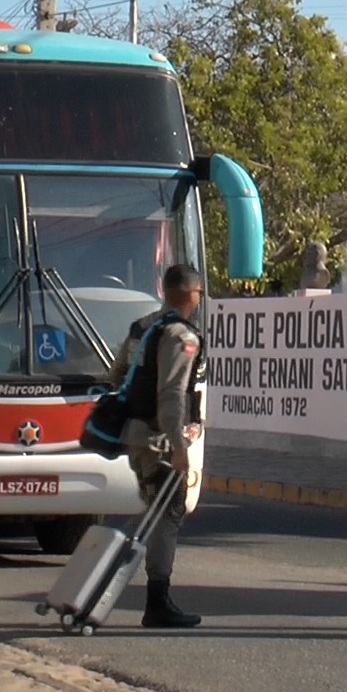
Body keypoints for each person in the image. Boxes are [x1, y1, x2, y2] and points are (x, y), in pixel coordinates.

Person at [108, 264, 205, 629]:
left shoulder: (144, 327)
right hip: (158, 439)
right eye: (197, 293)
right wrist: (178, 446)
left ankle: (108, 574)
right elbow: (172, 396)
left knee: (151, 511)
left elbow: (117, 375)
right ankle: (157, 600)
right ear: (191, 295)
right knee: (167, 514)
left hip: (134, 434)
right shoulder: (182, 336)